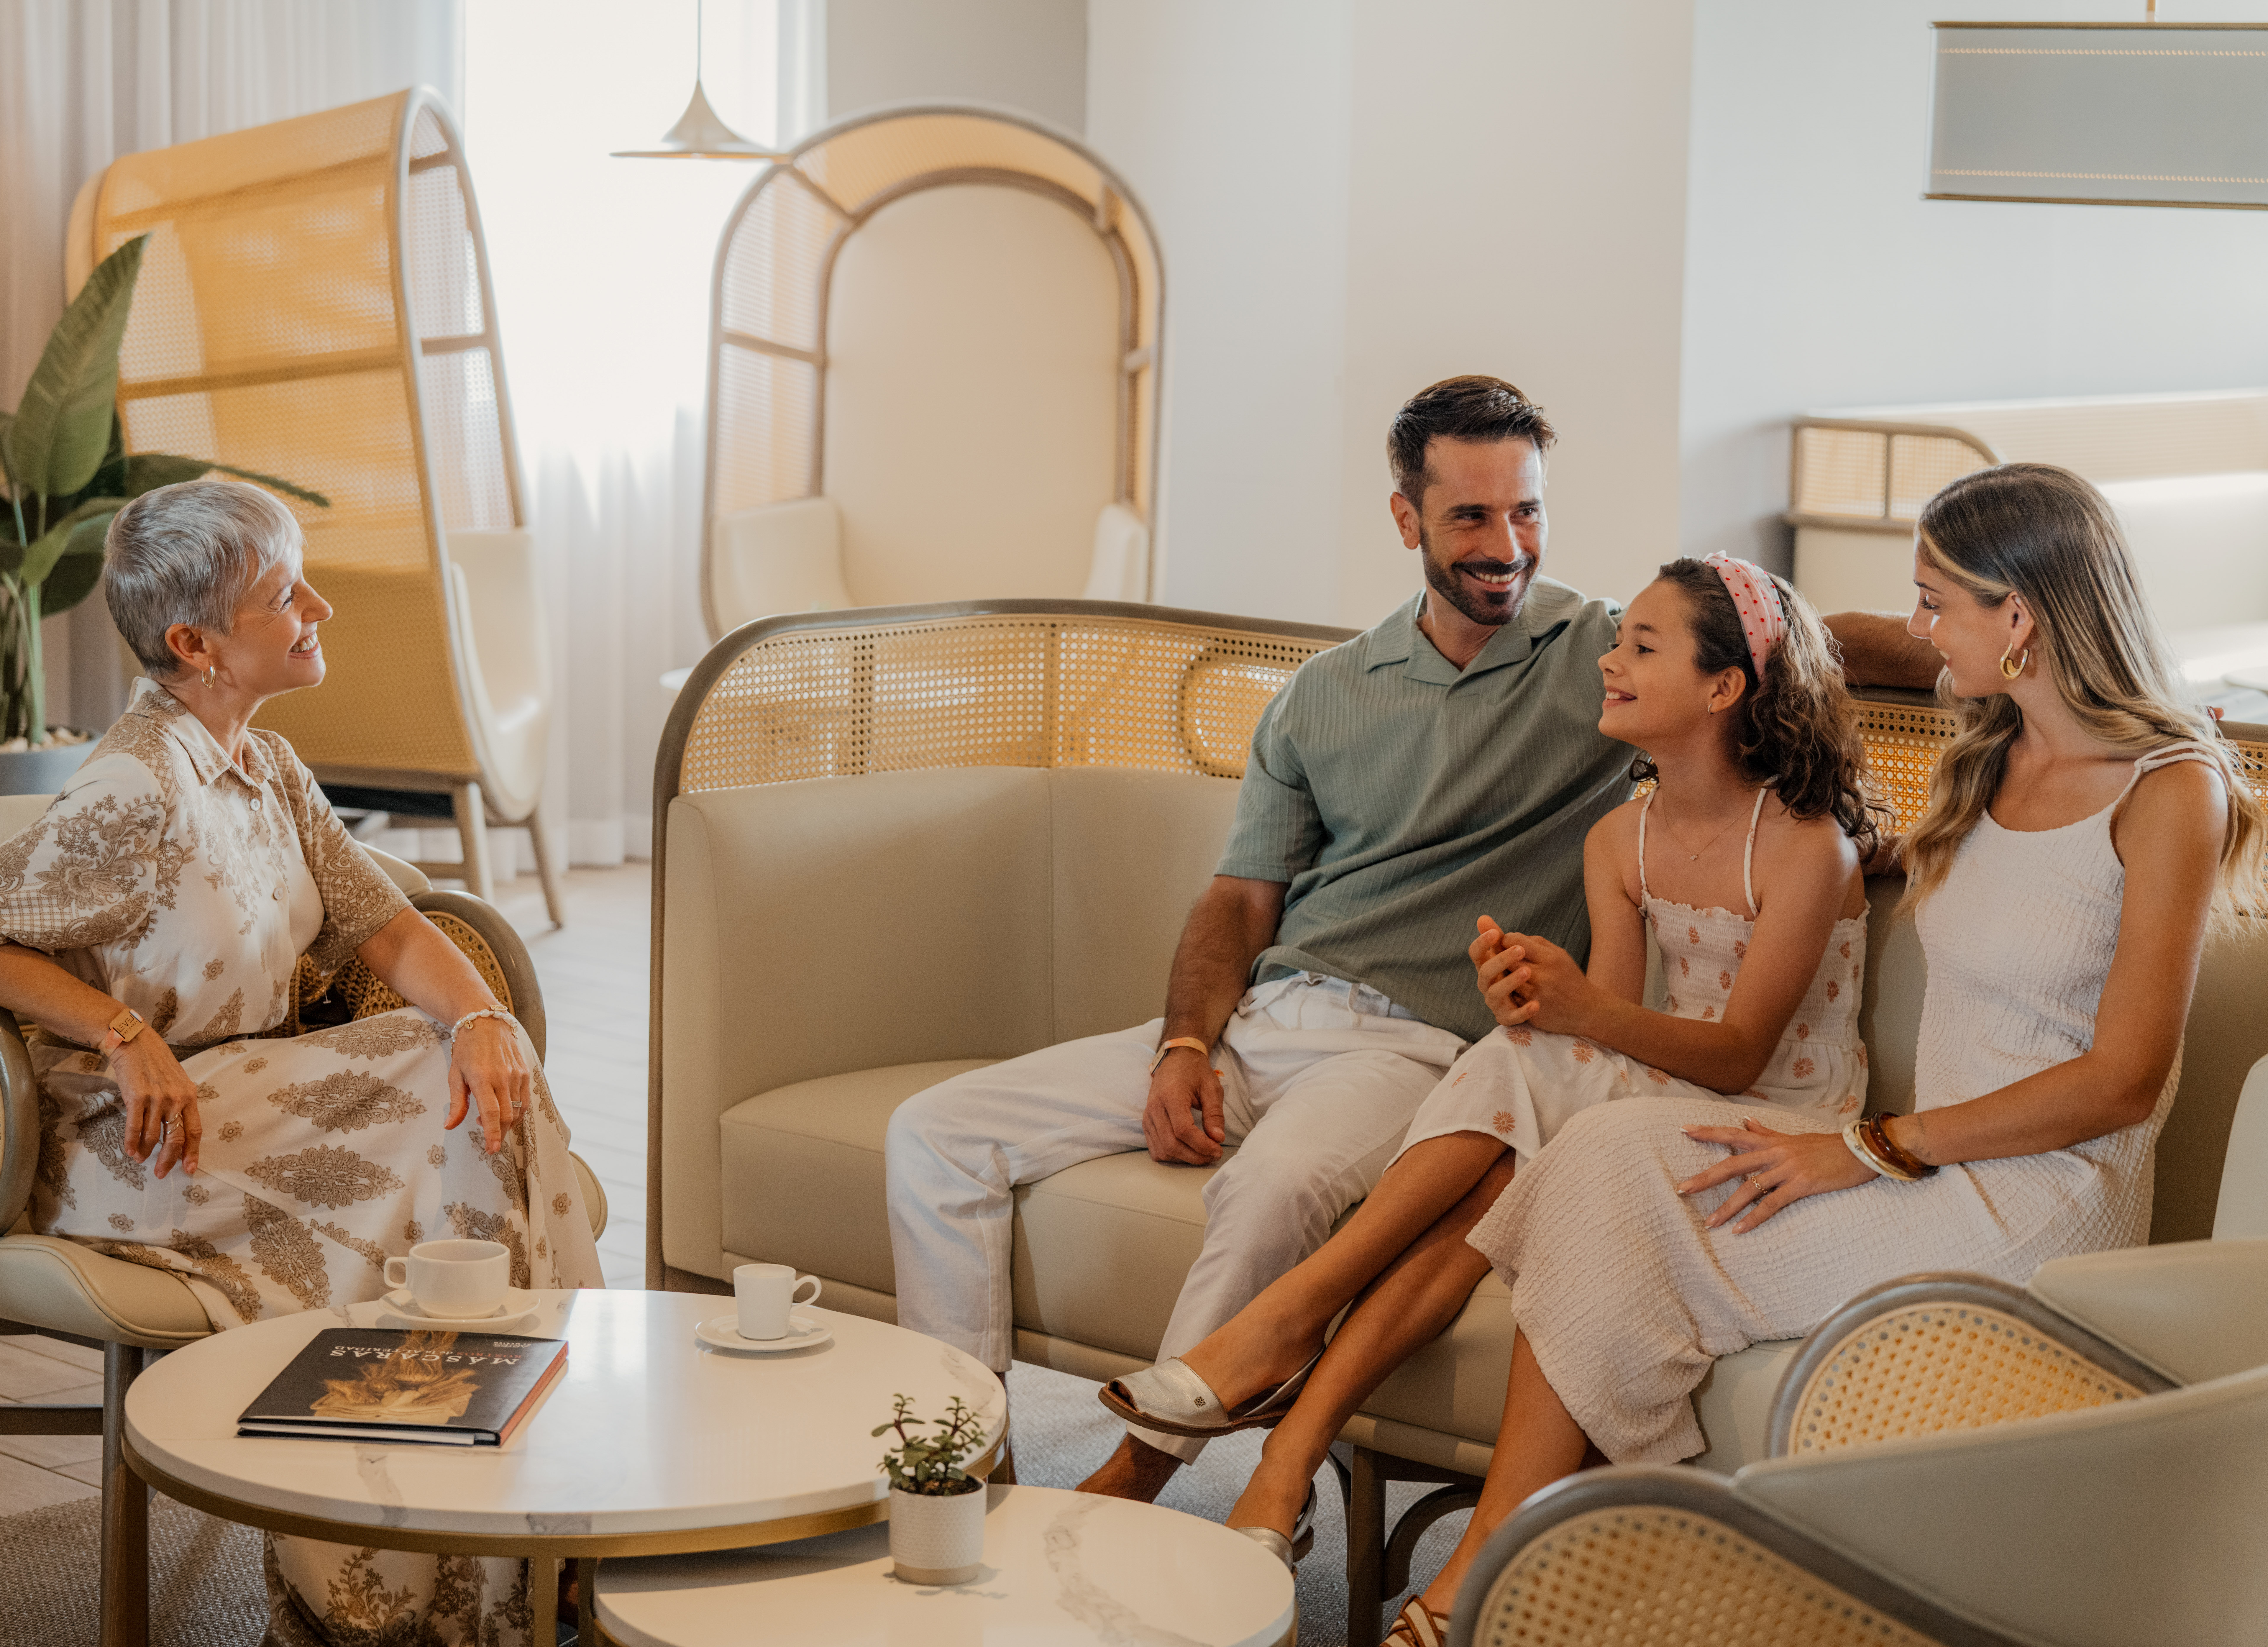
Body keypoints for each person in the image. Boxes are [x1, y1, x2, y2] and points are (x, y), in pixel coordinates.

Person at [882, 375, 1911, 1500]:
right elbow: (1238, 900)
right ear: (1406, 517)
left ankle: (1143, 1478)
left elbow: (1780, 645)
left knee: (1272, 1188)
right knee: (935, 1135)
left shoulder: (1600, 660)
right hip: (1270, 1017)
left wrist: (1960, 671)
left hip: (1415, 1048)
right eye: (1471, 516)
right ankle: (961, 1481)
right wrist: (1185, 1046)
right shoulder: (1322, 694)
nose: (1506, 545)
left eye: (1527, 511)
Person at [1375, 461, 2263, 1646]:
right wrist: (1844, 851)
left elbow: (2124, 1079)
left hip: (2041, 1202)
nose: (1916, 626)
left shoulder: (2170, 787)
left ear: (2022, 619)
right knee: (1603, 1158)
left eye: (1937, 600)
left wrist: (1875, 1145)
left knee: (1629, 1192)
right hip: (1925, 1172)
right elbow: (1842, 661)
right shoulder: (1988, 756)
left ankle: (1515, 1579)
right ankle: (1512, 1556)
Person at [0, 480, 603, 1647]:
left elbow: (384, 928)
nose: (318, 607)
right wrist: (122, 1035)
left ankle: (513, 1551)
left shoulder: (269, 765)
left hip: (260, 1100)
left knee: (478, 1091)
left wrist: (484, 1014)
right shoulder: (136, 790)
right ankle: (423, 1588)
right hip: (134, 1146)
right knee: (439, 1110)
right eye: (287, 596)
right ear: (195, 643)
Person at [1115, 553, 1888, 1568]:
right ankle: (1284, 1461)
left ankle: (1278, 1337)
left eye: (1641, 648)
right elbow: (1602, 1020)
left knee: (1528, 1066)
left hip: (1779, 1116)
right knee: (1510, 1103)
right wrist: (1537, 999)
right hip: (1659, 1092)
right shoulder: (1622, 837)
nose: (1609, 662)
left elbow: (1740, 1055)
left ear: (1724, 686)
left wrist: (1572, 1016)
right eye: (1618, 642)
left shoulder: (1804, 845)